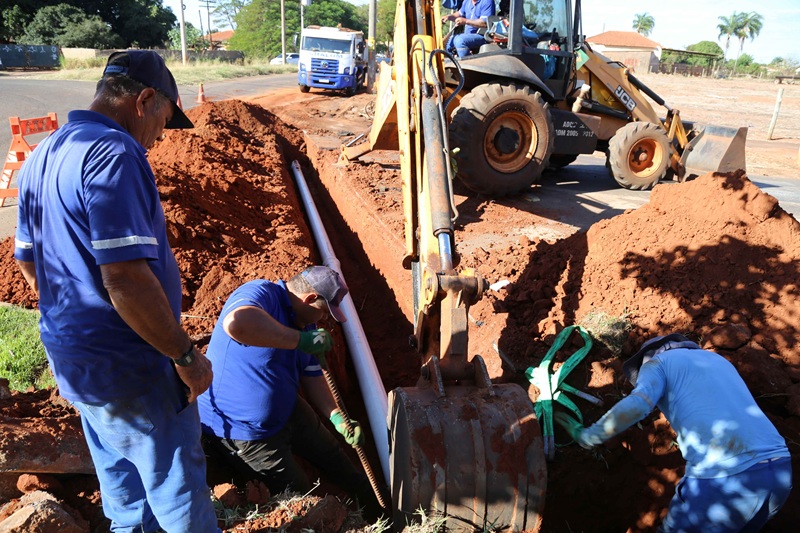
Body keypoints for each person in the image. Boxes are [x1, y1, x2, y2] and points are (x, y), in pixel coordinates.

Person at [13, 51, 219, 532]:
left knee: (125, 494)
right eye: (165, 120)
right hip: (133, 365)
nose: (162, 136)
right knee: (177, 493)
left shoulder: (46, 151)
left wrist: (75, 321)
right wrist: (186, 357)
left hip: (78, 362)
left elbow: (28, 259)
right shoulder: (115, 154)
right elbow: (125, 278)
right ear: (144, 100)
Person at [197, 266, 383, 518]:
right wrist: (300, 341)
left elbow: (313, 378)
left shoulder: (305, 324)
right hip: (245, 431)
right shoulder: (262, 293)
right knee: (300, 494)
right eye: (323, 312)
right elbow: (237, 323)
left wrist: (337, 417)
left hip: (288, 409)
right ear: (308, 299)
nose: (324, 320)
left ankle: (380, 513)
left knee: (335, 458)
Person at [558, 333, 792, 532]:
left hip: (726, 480)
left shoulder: (657, 363)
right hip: (780, 471)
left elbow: (639, 404)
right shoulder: (716, 360)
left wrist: (588, 436)